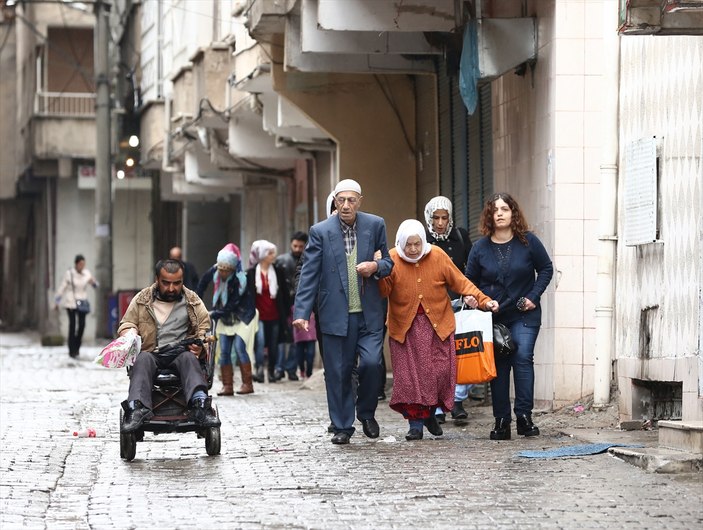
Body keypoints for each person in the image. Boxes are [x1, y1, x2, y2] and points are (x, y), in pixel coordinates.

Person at [293, 179, 394, 445]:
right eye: (341, 200)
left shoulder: (375, 225)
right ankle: (342, 426)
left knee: (372, 364)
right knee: (338, 371)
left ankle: (366, 413)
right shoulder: (320, 231)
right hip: (335, 314)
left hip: (369, 313)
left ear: (360, 200)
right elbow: (309, 274)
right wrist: (302, 312)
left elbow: (388, 261)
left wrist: (375, 268)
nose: (346, 205)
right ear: (335, 201)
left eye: (351, 200)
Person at [379, 220, 498, 441]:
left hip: (438, 326)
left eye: (417, 244)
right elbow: (384, 290)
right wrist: (379, 269)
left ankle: (430, 413)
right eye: (408, 245)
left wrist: (484, 300)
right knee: (410, 379)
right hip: (405, 329)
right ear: (401, 244)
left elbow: (460, 282)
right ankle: (415, 424)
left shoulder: (437, 255)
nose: (413, 249)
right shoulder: (392, 258)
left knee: (440, 374)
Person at [465, 193, 553, 440]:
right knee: (499, 366)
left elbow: (545, 269)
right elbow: (469, 281)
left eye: (505, 209)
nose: (500, 213)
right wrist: (478, 299)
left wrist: (533, 296)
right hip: (493, 316)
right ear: (489, 216)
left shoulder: (528, 242)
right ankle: (501, 420)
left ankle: (524, 417)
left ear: (513, 212)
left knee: (523, 357)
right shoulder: (479, 248)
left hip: (524, 312)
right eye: (495, 210)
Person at [118, 259, 220, 433]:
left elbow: (204, 327)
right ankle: (137, 408)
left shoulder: (192, 301)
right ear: (157, 279)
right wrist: (130, 332)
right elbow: (126, 323)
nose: (171, 288)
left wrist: (200, 345)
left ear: (182, 281)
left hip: (180, 351)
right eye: (166, 283)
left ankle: (200, 404)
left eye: (177, 283)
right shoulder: (142, 299)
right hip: (151, 352)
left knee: (189, 358)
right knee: (142, 359)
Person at [424, 196, 474, 424]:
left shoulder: (461, 237)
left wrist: (470, 293)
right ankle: (436, 405)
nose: (441, 222)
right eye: (436, 218)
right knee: (437, 357)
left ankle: (457, 400)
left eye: (445, 218)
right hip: (431, 306)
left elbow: (470, 269)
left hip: (458, 304)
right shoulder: (421, 239)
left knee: (461, 353)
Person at [196, 244, 257, 395]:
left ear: (232, 269)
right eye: (220, 269)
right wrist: (195, 304)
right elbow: (202, 284)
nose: (222, 272)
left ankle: (247, 384)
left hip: (242, 316)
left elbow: (232, 305)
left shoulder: (240, 279)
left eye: (226, 270)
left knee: (239, 348)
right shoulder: (215, 271)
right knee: (224, 351)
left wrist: (212, 314)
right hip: (224, 317)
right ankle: (227, 386)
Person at [248, 240, 291, 383]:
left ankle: (271, 371)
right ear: (262, 254)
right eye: (270, 252)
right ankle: (259, 369)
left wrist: (286, 311)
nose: (273, 255)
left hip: (275, 315)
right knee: (259, 343)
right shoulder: (252, 273)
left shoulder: (278, 271)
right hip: (258, 316)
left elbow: (285, 293)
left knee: (273, 345)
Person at [275, 231, 309, 381]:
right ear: (291, 244)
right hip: (283, 304)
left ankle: (291, 369)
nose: (297, 249)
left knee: (296, 339)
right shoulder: (281, 261)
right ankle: (279, 368)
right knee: (282, 339)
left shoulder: (308, 259)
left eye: (300, 246)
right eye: (295, 245)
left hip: (299, 304)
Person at [55, 254, 97, 358]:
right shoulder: (69, 273)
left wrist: (93, 282)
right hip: (71, 302)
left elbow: (95, 285)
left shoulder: (86, 273)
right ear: (76, 264)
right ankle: (71, 350)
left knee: (82, 325)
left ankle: (77, 347)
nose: (82, 266)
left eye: (83, 264)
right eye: (80, 264)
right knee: (72, 326)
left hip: (82, 302)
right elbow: (63, 287)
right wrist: (57, 300)